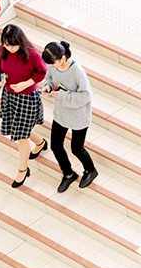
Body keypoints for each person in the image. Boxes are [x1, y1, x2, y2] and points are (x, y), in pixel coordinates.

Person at [0, 24, 47, 188]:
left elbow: (42, 72)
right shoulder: (3, 50)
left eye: (12, 45)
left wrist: (26, 83)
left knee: (21, 136)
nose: (9, 48)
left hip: (27, 98)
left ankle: (23, 170)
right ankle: (41, 143)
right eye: (6, 44)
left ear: (20, 42)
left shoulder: (32, 55)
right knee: (20, 129)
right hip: (10, 96)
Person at [41, 41, 99, 192]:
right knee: (55, 145)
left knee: (77, 149)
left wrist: (60, 95)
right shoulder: (53, 65)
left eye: (53, 63)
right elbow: (49, 77)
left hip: (79, 116)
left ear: (62, 58)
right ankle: (68, 173)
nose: (51, 66)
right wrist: (47, 85)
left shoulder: (77, 71)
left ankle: (90, 170)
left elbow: (86, 95)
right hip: (61, 113)